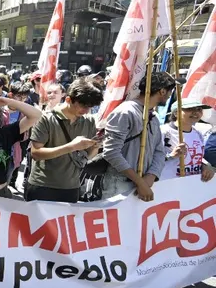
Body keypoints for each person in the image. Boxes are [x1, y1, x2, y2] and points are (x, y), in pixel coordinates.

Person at [101, 72, 176, 201]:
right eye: (170, 91)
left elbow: (159, 151)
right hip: (120, 183)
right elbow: (111, 152)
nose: (170, 95)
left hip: (146, 184)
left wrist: (151, 176)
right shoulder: (125, 112)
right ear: (162, 91)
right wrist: (140, 182)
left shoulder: (154, 116)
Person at [26, 79, 104, 203]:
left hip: (71, 188)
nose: (86, 110)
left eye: (90, 107)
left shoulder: (88, 121)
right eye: (83, 105)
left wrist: (95, 146)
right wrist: (71, 146)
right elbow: (36, 153)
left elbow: (88, 155)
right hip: (42, 186)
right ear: (68, 99)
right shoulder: (46, 119)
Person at [160, 99, 215, 182]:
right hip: (168, 185)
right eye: (189, 109)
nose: (195, 112)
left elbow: (196, 157)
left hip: (191, 186)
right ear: (176, 113)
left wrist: (205, 165)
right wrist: (171, 156)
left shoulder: (198, 133)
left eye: (199, 109)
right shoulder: (163, 132)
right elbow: (148, 160)